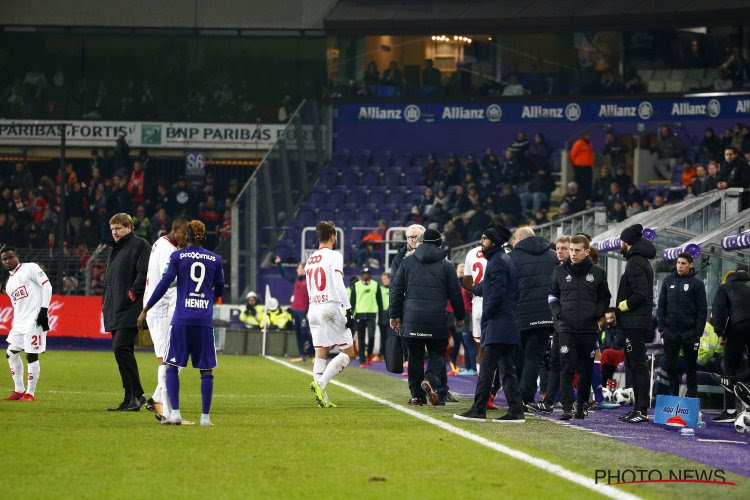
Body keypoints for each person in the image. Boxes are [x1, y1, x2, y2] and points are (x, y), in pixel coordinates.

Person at [138, 220, 224, 427]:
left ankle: (174, 413)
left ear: (187, 237)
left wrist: (145, 309)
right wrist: (207, 298)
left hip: (181, 318)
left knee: (171, 364)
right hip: (203, 319)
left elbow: (164, 284)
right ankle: (205, 418)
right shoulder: (215, 258)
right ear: (204, 236)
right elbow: (219, 289)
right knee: (206, 370)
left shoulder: (177, 256)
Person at [454, 221, 524, 422]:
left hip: (498, 323)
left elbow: (496, 293)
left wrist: (488, 314)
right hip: (508, 321)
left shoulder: (497, 262)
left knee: (486, 369)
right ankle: (516, 411)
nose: (481, 242)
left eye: (485, 238)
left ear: (494, 241)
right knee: (507, 370)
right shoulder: (504, 259)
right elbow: (488, 286)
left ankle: (478, 409)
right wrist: (471, 288)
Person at [390, 229, 465, 406]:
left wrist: (394, 315)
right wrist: (460, 316)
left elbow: (396, 290)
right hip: (436, 319)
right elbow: (455, 294)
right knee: (437, 354)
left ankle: (417, 396)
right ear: (440, 244)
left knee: (415, 357)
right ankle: (430, 379)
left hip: (412, 318)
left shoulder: (407, 261)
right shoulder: (447, 265)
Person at [547, 235, 611, 420]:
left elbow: (605, 298)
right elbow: (552, 295)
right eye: (571, 250)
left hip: (588, 329)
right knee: (566, 368)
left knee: (586, 369)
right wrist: (558, 313)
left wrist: (596, 313)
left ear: (586, 251)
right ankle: (567, 407)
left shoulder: (598, 273)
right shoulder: (559, 271)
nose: (573, 254)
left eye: (577, 250)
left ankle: (581, 405)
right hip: (566, 328)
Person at [102, 213, 151, 412]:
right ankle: (129, 397)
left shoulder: (140, 245)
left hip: (131, 308)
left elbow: (144, 273)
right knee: (122, 351)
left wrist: (131, 295)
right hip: (116, 308)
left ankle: (137, 395)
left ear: (129, 227)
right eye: (112, 229)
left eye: (118, 229)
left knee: (120, 348)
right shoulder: (116, 249)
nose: (115, 233)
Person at [142, 217, 189, 421]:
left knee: (174, 359)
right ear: (175, 229)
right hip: (162, 309)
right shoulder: (167, 250)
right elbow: (167, 279)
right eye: (184, 234)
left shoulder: (162, 243)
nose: (187, 239)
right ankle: (167, 411)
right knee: (169, 360)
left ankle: (157, 401)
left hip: (165, 308)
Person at [308, 221, 357, 408]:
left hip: (313, 308)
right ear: (333, 236)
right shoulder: (334, 256)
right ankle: (320, 384)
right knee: (348, 351)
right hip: (329, 306)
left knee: (320, 352)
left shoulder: (311, 259)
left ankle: (324, 398)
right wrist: (349, 308)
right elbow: (338, 282)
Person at [507, 227, 558, 407]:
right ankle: (527, 396)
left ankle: (519, 396)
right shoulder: (553, 256)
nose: (512, 241)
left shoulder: (512, 258)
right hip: (546, 314)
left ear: (520, 239)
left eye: (513, 238)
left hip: (520, 315)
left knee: (519, 357)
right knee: (534, 357)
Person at [615, 224, 656, 423]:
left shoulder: (635, 263)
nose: (620, 244)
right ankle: (637, 409)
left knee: (638, 365)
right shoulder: (639, 261)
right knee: (634, 364)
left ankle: (641, 410)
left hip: (635, 322)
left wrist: (622, 306)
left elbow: (641, 293)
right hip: (635, 321)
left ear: (628, 243)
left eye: (622, 241)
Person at [1, 247, 52, 401]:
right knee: (10, 354)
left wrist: (43, 311)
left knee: (31, 354)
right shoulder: (9, 284)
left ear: (17, 256)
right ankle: (18, 390)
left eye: (10, 257)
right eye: (4, 259)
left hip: (35, 319)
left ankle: (30, 393)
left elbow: (47, 286)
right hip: (20, 323)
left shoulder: (30, 268)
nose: (7, 260)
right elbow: (17, 306)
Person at [656, 252, 707, 398]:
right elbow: (662, 306)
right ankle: (673, 398)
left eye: (683, 263)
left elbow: (702, 310)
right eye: (678, 263)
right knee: (671, 367)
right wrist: (662, 328)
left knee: (691, 368)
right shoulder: (667, 281)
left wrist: (697, 333)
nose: (680, 266)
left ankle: (691, 399)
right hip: (671, 332)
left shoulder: (697, 284)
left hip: (690, 333)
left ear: (690, 265)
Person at [711, 268, 750, 422]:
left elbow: (719, 310)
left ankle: (730, 410)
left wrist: (720, 333)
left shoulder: (725, 287)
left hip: (737, 327)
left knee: (730, 366)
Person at [276, 256, 311, 362]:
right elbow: (284, 275)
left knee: (306, 333)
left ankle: (316, 354)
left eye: (298, 268)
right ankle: (301, 355)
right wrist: (279, 264)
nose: (297, 270)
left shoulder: (310, 281)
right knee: (298, 333)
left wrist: (310, 311)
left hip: (304, 311)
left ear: (304, 269)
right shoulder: (296, 279)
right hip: (295, 310)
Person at [349, 266, 383, 368]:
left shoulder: (376, 285)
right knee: (361, 338)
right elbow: (352, 302)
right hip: (359, 314)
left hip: (372, 314)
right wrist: (351, 316)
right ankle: (362, 360)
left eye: (368, 274)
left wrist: (380, 317)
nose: (366, 275)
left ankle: (369, 354)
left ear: (370, 275)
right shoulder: (356, 285)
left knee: (372, 336)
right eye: (364, 274)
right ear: (361, 275)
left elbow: (380, 303)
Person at [569, 131, 594, 203]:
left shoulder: (590, 144)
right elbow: (572, 155)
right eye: (587, 135)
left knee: (588, 182)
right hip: (579, 167)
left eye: (589, 135)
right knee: (580, 183)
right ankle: (580, 197)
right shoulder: (578, 143)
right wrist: (577, 164)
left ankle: (587, 197)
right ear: (583, 136)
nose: (589, 137)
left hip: (588, 166)